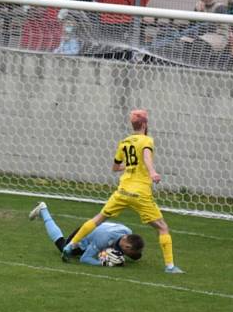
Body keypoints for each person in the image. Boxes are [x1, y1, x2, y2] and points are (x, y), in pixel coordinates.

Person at [61, 109, 183, 274]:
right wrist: (152, 171)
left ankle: (70, 246)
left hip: (123, 190)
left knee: (98, 219)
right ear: (145, 124)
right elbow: (147, 157)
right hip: (140, 192)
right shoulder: (146, 140)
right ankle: (170, 266)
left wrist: (132, 166)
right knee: (162, 227)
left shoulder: (124, 142)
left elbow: (115, 167)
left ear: (132, 124)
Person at [28, 201, 143, 266]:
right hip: (83, 234)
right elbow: (84, 259)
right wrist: (103, 263)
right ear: (127, 246)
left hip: (94, 227)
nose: (126, 254)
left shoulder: (127, 231)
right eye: (128, 252)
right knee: (63, 246)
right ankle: (43, 210)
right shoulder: (103, 240)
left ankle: (43, 211)